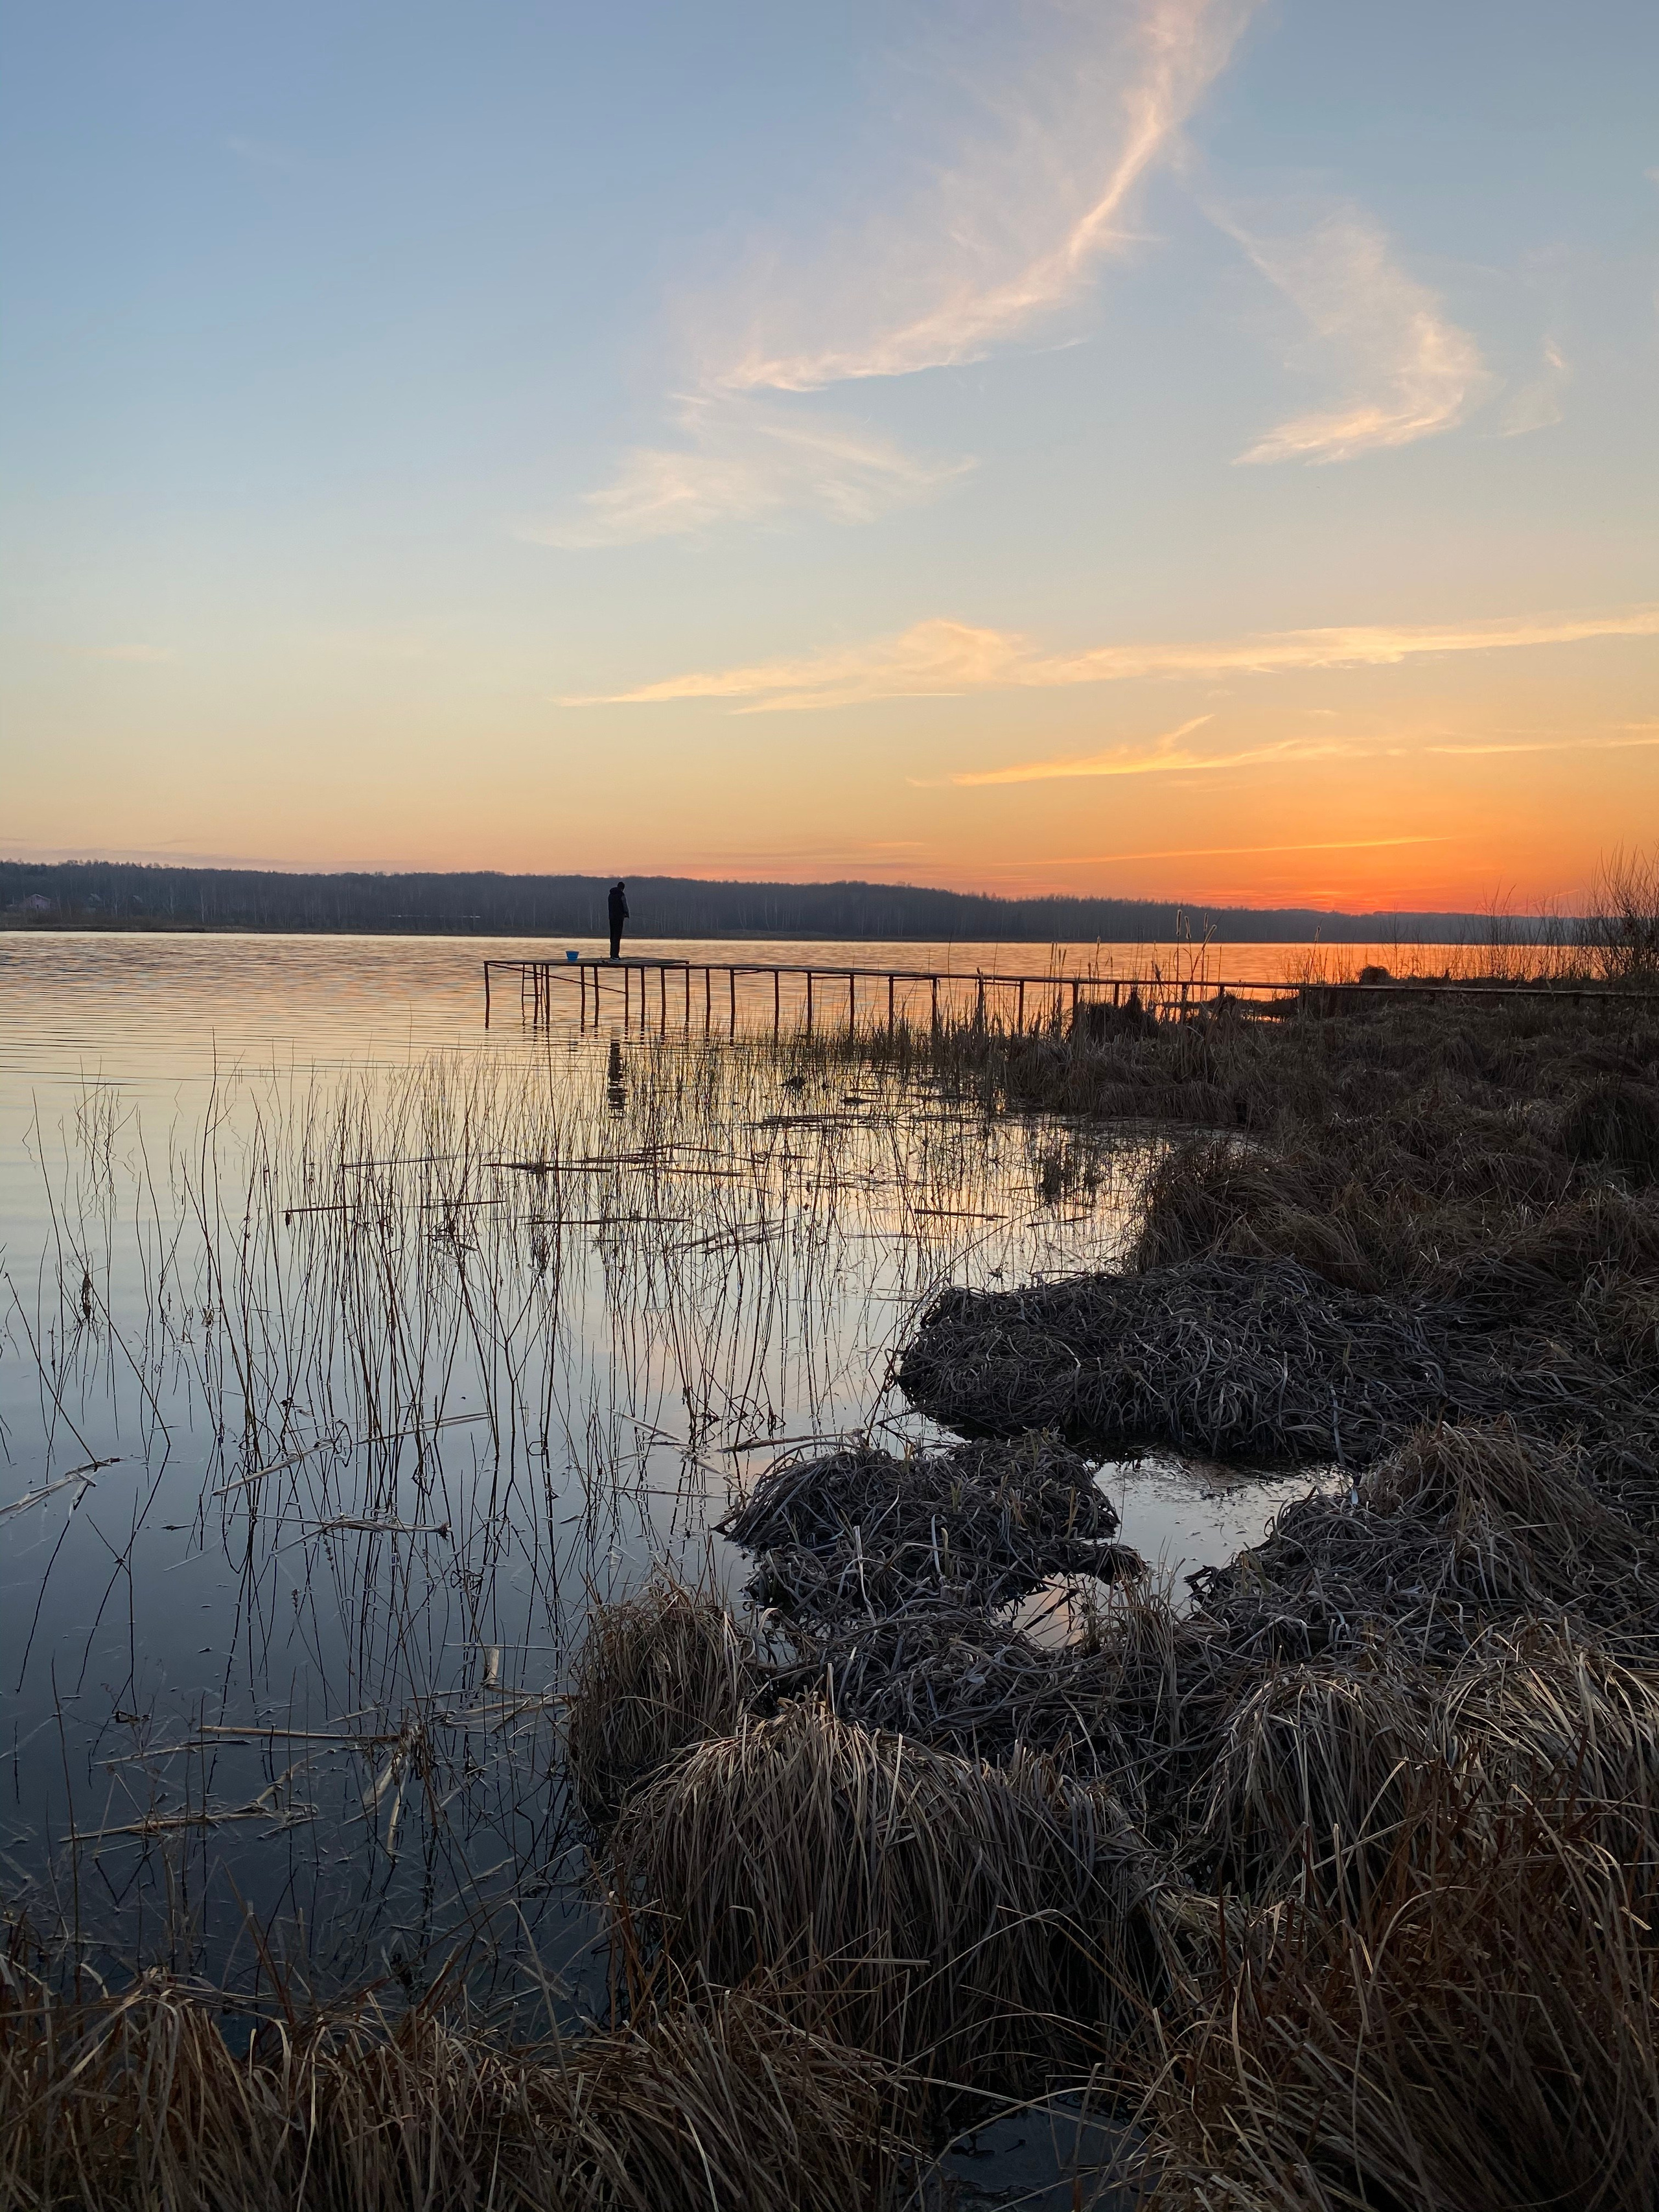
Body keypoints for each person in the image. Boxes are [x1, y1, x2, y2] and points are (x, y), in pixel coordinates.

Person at [607, 879, 629, 961]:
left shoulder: (610, 895)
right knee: (617, 936)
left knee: (612, 936)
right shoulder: (621, 895)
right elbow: (624, 905)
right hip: (619, 918)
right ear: (622, 888)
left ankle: (612, 955)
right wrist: (626, 913)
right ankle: (616, 956)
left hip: (611, 918)